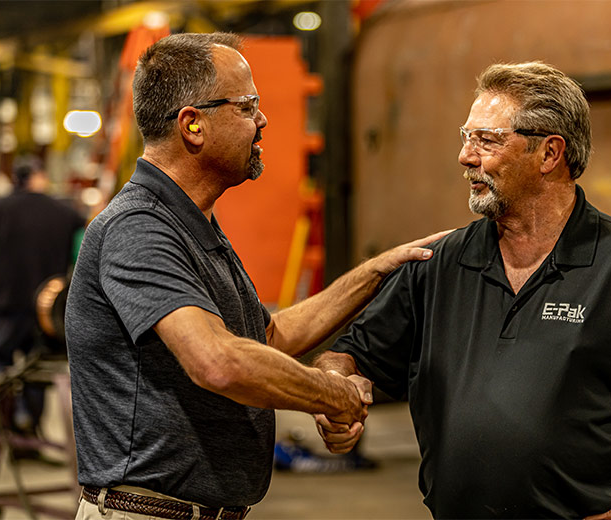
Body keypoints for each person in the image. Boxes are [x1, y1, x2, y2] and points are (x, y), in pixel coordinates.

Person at [313, 61, 611, 519]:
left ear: (549, 154)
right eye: (465, 136)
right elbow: (351, 354)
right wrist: (335, 388)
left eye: (487, 140)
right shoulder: (438, 264)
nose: (465, 156)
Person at [64, 32, 447, 520]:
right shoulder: (138, 227)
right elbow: (217, 360)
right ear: (193, 125)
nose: (262, 121)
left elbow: (266, 338)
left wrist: (374, 272)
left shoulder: (194, 223)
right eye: (247, 107)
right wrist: (331, 395)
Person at [0, 157, 85, 441]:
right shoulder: (66, 213)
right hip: (47, 312)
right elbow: (84, 260)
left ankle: (11, 417)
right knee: (37, 367)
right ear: (42, 177)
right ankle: (28, 422)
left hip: (3, 305)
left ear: (16, 179)